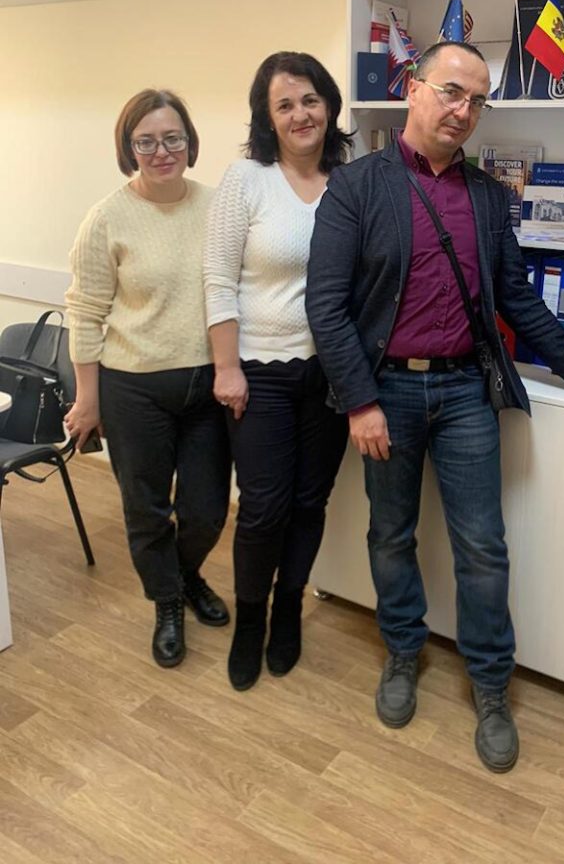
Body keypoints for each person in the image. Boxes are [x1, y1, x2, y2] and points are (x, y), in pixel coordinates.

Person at [306, 41, 564, 773]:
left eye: (478, 101)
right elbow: (325, 306)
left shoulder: (491, 197)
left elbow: (516, 298)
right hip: (386, 393)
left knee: (484, 547)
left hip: (466, 391)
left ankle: (491, 685)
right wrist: (360, 402)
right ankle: (403, 652)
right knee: (391, 535)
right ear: (413, 88)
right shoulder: (357, 187)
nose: (464, 110)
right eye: (452, 92)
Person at [64, 89, 232, 669]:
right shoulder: (106, 218)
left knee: (207, 510)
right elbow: (85, 312)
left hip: (207, 386)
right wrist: (88, 401)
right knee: (147, 509)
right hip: (133, 388)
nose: (161, 151)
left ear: (189, 142)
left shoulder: (217, 206)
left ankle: (184, 575)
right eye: (146, 142)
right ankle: (167, 601)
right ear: (128, 148)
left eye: (172, 138)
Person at [204, 51, 351, 692]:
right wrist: (226, 367)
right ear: (267, 118)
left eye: (310, 99)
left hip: (332, 374)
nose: (300, 114)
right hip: (259, 371)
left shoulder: (352, 179)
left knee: (309, 503)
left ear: (329, 105)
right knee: (263, 509)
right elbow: (217, 279)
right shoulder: (247, 180)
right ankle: (250, 621)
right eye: (284, 104)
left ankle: (289, 608)